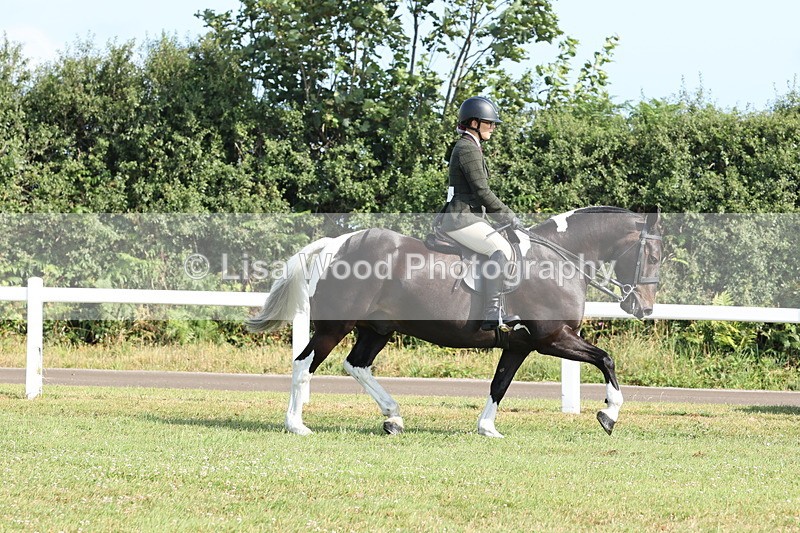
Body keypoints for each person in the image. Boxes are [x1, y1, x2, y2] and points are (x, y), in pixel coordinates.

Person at [441, 96, 522, 331]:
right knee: (501, 249)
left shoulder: (470, 146)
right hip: (461, 218)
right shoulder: (467, 148)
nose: (493, 127)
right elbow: (481, 191)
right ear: (474, 123)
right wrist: (508, 216)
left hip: (469, 216)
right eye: (489, 122)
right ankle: (492, 312)